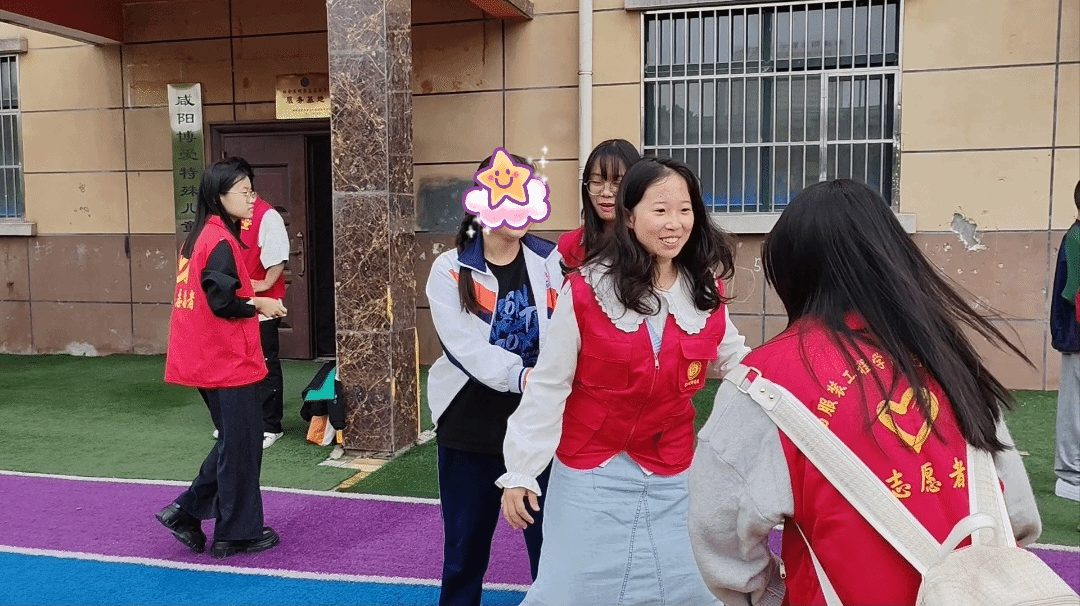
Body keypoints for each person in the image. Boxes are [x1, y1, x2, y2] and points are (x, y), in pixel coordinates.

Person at [687, 179, 1042, 606]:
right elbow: (1016, 515)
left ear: (792, 271)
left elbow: (719, 531)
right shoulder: (947, 360)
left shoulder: (762, 382)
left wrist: (768, 595)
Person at [500, 156, 749, 606]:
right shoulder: (588, 290)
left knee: (688, 586)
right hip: (590, 471)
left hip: (674, 472)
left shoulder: (704, 293)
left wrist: (793, 394)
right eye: (660, 210)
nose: (675, 223)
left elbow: (738, 364)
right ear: (629, 217)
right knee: (573, 589)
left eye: (685, 209)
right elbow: (550, 385)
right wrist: (522, 469)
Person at [426, 153, 563, 606]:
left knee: (550, 552)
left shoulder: (552, 260)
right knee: (464, 555)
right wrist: (523, 376)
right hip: (469, 429)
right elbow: (465, 347)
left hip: (538, 427)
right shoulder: (450, 269)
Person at [157, 160, 287, 560]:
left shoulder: (200, 235)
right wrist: (260, 303)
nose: (252, 199)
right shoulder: (219, 240)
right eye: (244, 192)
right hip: (225, 359)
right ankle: (235, 532)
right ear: (219, 196)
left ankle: (188, 512)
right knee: (242, 444)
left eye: (252, 191)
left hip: (205, 357)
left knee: (237, 441)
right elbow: (223, 302)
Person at [225, 157, 291, 450]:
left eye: (245, 189)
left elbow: (278, 255)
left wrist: (264, 284)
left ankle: (269, 424)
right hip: (236, 303)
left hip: (263, 304)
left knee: (264, 362)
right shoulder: (225, 219)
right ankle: (241, 421)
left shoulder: (267, 215)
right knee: (236, 363)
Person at [557, 139, 641, 269]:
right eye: (597, 181)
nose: (606, 192)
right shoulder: (569, 245)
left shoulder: (649, 243)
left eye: (617, 183)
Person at [1050, 180, 1080, 503]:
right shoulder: (1076, 238)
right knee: (1073, 407)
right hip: (1075, 334)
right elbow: (1071, 291)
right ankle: (1070, 477)